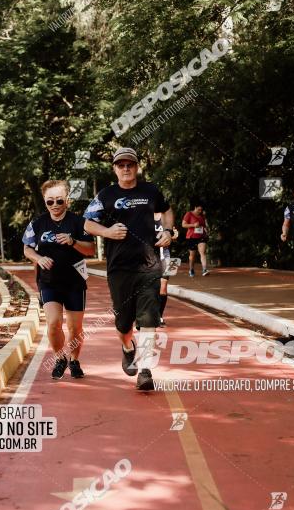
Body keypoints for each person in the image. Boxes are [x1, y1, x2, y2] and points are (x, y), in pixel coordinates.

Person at [84, 147, 174, 392]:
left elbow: (166, 211)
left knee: (148, 319)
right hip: (119, 269)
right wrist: (107, 232)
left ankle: (145, 370)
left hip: (148, 267)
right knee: (123, 323)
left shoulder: (150, 191)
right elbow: (88, 222)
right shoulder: (106, 195)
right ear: (115, 169)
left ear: (137, 167)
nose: (126, 169)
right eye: (121, 165)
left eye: (130, 165)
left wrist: (168, 231)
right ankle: (127, 348)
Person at [23, 180, 95, 380]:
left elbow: (91, 249)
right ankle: (59, 357)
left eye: (59, 200)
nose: (54, 205)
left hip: (75, 281)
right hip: (49, 281)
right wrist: (38, 258)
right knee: (54, 323)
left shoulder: (79, 222)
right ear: (45, 202)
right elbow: (26, 248)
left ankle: (74, 360)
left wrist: (73, 242)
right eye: (50, 202)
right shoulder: (37, 223)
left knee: (75, 328)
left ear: (68, 201)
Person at [182, 204, 209, 276]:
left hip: (201, 237)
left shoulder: (202, 216)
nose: (200, 211)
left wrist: (206, 229)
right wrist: (193, 225)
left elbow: (204, 225)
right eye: (198, 210)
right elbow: (183, 225)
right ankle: (191, 269)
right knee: (192, 255)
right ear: (195, 207)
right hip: (192, 237)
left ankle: (204, 269)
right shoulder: (189, 214)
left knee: (202, 252)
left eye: (201, 210)